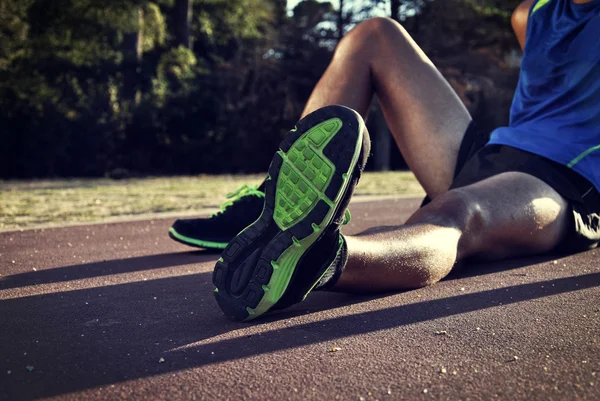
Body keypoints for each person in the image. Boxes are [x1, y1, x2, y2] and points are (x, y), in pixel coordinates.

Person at [172, 0, 600, 321]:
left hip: (562, 180)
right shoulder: (532, 13)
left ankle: (318, 260)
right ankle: (270, 203)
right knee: (374, 35)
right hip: (491, 152)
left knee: (456, 213)